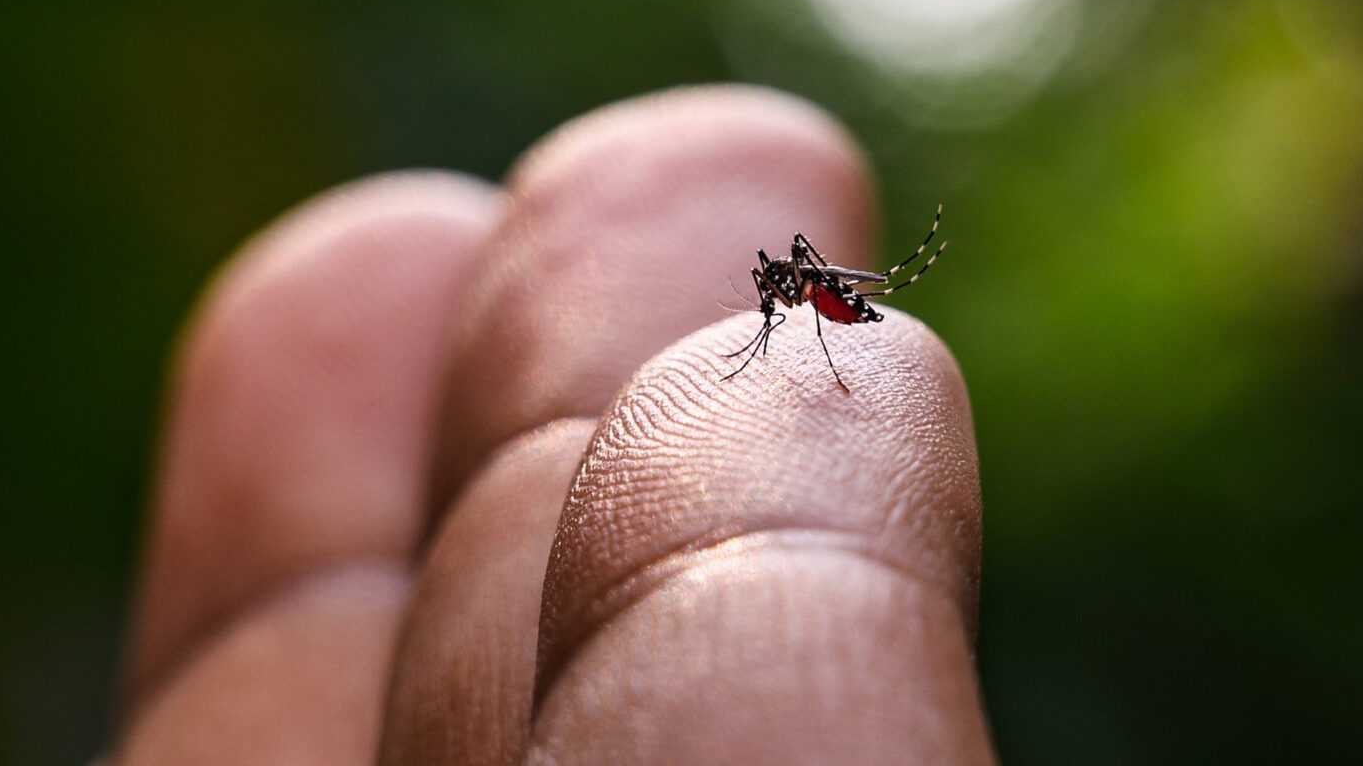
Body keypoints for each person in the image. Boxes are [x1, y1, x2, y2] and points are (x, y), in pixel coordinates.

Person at [113, 85, 993, 764]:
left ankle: (886, 284)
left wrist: (812, 312)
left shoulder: (801, 293)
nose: (774, 288)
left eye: (781, 287)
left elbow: (794, 293)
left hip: (839, 324)